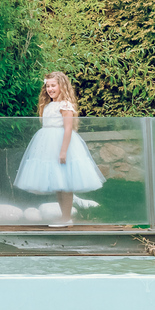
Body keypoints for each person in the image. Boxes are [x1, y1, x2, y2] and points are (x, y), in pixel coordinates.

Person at [13, 71, 105, 227]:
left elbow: (68, 129)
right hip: (47, 145)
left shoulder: (65, 105)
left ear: (62, 86)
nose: (50, 89)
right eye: (47, 86)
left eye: (53, 85)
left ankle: (66, 217)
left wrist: (63, 151)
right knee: (58, 182)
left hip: (61, 144)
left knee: (65, 183)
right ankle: (64, 216)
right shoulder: (49, 105)